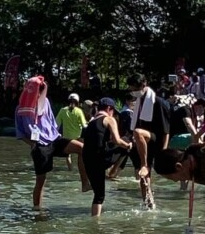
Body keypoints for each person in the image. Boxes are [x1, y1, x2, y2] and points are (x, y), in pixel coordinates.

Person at [15, 76, 88, 208]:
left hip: (54, 139)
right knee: (41, 180)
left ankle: (84, 183)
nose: (41, 92)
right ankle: (37, 209)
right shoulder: (21, 108)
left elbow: (51, 121)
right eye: (39, 89)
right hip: (39, 145)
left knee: (82, 148)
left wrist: (58, 135)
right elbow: (20, 132)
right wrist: (32, 144)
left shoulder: (45, 101)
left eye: (42, 90)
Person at [81, 97, 131, 216]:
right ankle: (113, 173)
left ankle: (95, 222)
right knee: (126, 140)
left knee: (99, 195)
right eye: (113, 110)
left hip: (87, 161)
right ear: (109, 109)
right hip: (100, 159)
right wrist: (128, 145)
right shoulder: (109, 119)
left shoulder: (91, 122)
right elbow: (117, 140)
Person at [126, 74, 170, 207]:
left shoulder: (158, 102)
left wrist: (164, 152)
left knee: (138, 132)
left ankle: (145, 164)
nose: (133, 91)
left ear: (144, 84)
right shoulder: (139, 102)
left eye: (135, 88)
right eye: (131, 89)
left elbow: (166, 131)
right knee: (143, 177)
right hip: (142, 143)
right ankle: (149, 203)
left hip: (154, 138)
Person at [56, 93, 87, 170]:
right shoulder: (79, 111)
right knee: (81, 153)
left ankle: (70, 169)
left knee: (68, 155)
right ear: (78, 102)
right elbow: (84, 125)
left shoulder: (62, 110)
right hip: (77, 138)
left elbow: (56, 125)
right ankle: (81, 169)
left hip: (66, 139)